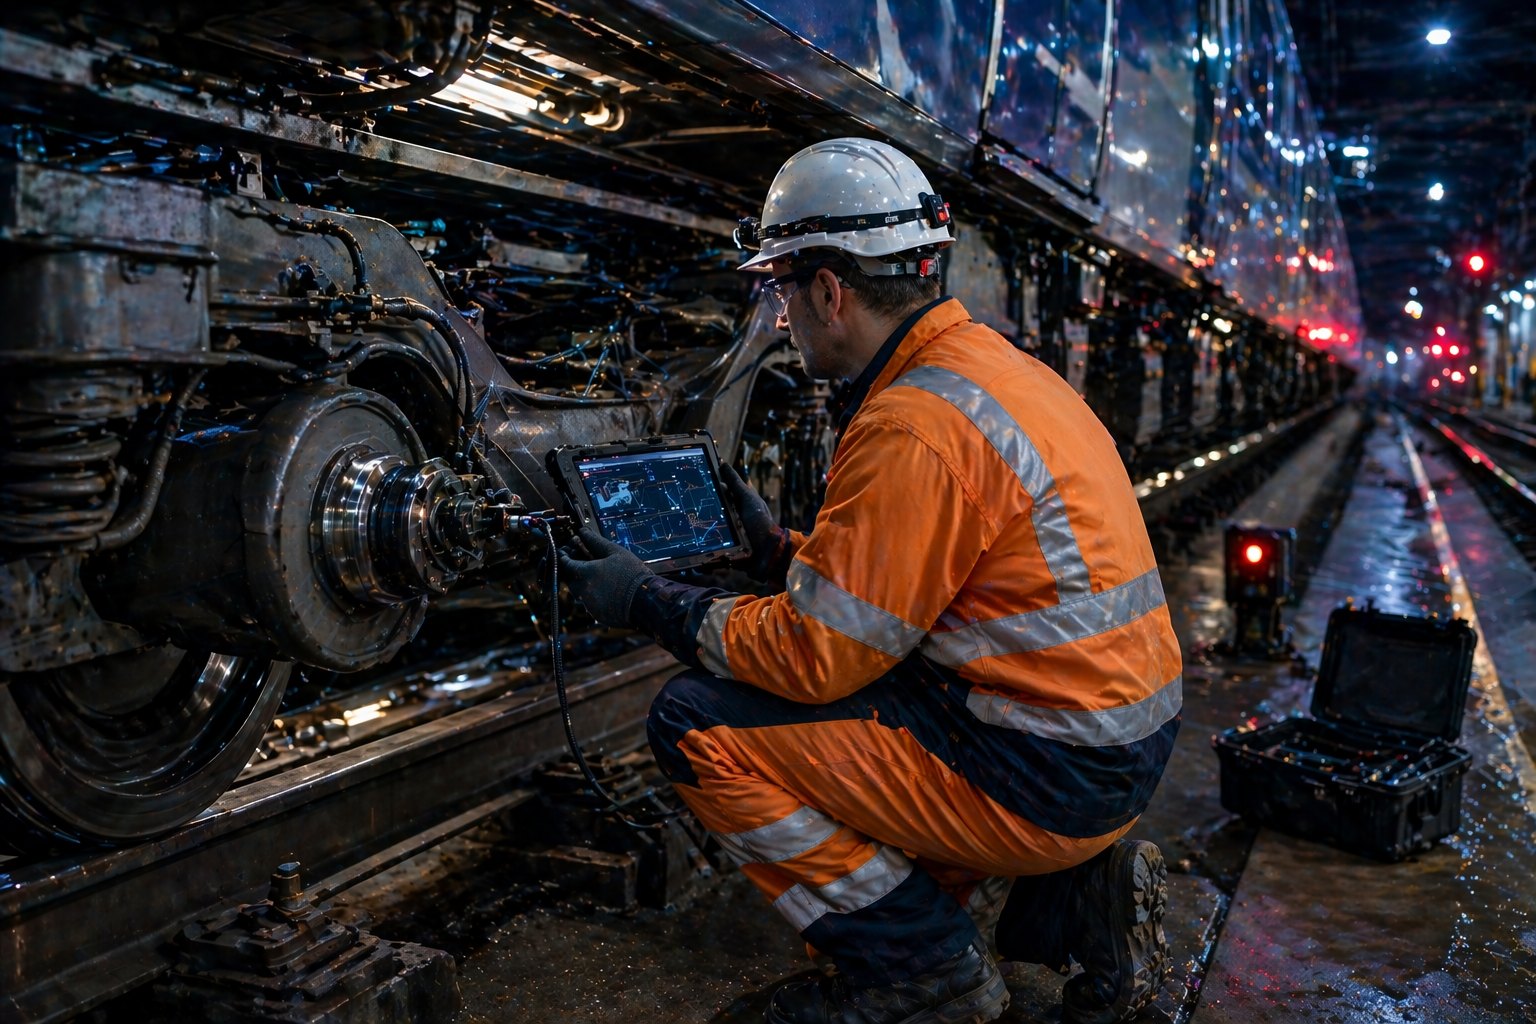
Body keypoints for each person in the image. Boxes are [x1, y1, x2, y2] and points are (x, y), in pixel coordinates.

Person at [558, 137, 1182, 1024]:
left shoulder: (912, 426)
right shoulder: (994, 374)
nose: (779, 317)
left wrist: (649, 602)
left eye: (781, 290)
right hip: (1117, 745)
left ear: (828, 290)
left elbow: (820, 657)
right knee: (866, 703)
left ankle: (922, 972)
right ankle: (1075, 899)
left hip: (1051, 772)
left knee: (697, 722)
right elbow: (915, 588)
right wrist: (778, 551)